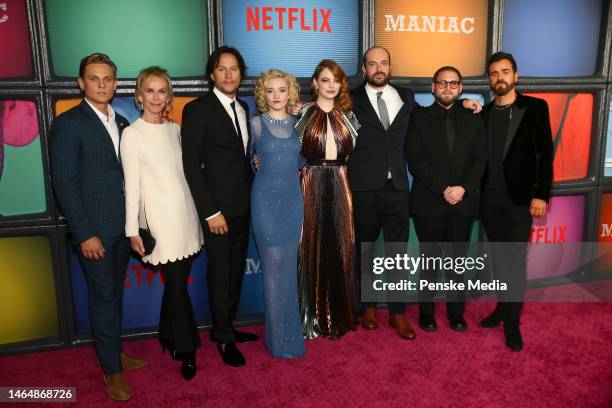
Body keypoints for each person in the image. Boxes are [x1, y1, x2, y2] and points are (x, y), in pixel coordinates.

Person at [348, 46, 482, 339]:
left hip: (398, 188)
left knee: (396, 255)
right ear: (364, 69)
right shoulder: (350, 98)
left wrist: (467, 103)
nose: (378, 68)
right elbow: (325, 107)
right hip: (364, 187)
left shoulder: (406, 97)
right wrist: (299, 107)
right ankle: (368, 306)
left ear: (390, 66)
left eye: (383, 62)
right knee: (366, 250)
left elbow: (435, 116)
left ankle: (397, 313)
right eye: (372, 64)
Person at [49, 53, 146, 402]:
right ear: (81, 83)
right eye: (94, 78)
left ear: (115, 82)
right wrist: (84, 232)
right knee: (104, 299)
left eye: (108, 79)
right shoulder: (69, 123)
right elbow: (64, 182)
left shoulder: (120, 121)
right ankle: (112, 371)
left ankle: (114, 352)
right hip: (94, 232)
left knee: (114, 295)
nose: (102, 85)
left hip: (121, 228)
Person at [120, 66, 204, 380]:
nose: (156, 97)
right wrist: (132, 230)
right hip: (159, 222)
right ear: (140, 96)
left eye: (162, 91)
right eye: (150, 91)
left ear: (168, 96)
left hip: (186, 217)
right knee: (178, 287)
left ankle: (168, 333)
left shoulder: (175, 130)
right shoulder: (132, 134)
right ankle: (188, 347)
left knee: (177, 283)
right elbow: (132, 187)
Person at [181, 46, 258, 367]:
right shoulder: (197, 109)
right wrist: (210, 212)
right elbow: (190, 165)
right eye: (222, 69)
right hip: (217, 212)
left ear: (241, 74)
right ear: (212, 74)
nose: (228, 75)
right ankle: (225, 339)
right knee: (220, 273)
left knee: (235, 271)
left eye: (234, 69)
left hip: (243, 205)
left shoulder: (243, 106)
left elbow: (237, 159)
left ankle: (226, 328)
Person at [479, 52, 553, 351]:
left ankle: (512, 323)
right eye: (494, 73)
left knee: (514, 262)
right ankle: (501, 307)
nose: (500, 78)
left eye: (505, 72)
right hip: (489, 203)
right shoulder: (483, 114)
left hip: (520, 202)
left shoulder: (535, 108)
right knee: (498, 259)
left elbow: (545, 154)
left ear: (516, 76)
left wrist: (541, 194)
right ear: (489, 79)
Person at [406, 66, 487, 333]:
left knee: (457, 265)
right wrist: (444, 188)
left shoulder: (475, 117)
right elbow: (414, 159)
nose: (448, 87)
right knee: (428, 263)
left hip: (462, 203)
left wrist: (462, 188)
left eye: (453, 83)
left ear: (461, 88)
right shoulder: (419, 117)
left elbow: (480, 160)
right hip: (429, 203)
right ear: (433, 87)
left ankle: (456, 313)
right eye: (442, 83)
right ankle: (426, 313)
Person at [296, 59, 361, 340]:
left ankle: (340, 312)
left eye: (335, 80)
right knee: (311, 246)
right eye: (325, 80)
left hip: (341, 181)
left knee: (341, 245)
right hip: (310, 181)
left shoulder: (350, 117)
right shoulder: (300, 114)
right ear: (315, 83)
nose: (331, 85)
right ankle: (313, 316)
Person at [250, 69, 306, 358]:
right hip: (264, 204)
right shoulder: (256, 125)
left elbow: (303, 159)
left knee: (288, 269)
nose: (275, 96)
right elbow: (247, 160)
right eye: (270, 90)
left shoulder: (300, 124)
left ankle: (289, 331)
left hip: (292, 201)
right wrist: (254, 162)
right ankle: (278, 339)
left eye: (281, 90)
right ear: (263, 93)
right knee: (272, 269)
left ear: (290, 93)